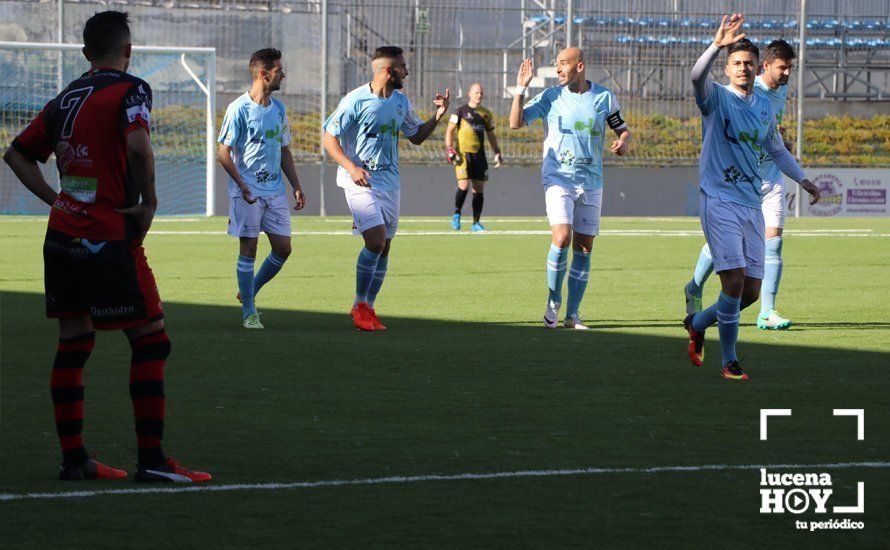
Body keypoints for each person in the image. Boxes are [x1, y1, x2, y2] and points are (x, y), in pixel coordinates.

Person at [2, 11, 210, 482]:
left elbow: (16, 154)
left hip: (61, 235)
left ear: (85, 53)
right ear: (129, 50)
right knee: (152, 340)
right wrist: (151, 202)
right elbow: (138, 146)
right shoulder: (131, 88)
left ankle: (75, 460)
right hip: (106, 234)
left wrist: (58, 201)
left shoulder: (65, 96)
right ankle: (153, 463)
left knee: (74, 343)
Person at [683, 15, 820, 380]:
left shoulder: (763, 106)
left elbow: (776, 150)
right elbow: (696, 77)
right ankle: (729, 361)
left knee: (750, 294)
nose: (742, 68)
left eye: (747, 63)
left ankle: (696, 322)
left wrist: (803, 180)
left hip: (750, 203)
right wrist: (716, 45)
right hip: (719, 199)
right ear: (727, 69)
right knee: (734, 281)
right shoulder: (716, 99)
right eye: (736, 63)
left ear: (756, 67)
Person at [322, 46, 450, 331]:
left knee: (385, 248)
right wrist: (352, 168)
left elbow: (416, 136)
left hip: (390, 183)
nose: (407, 71)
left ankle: (368, 306)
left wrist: (438, 115)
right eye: (403, 67)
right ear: (389, 71)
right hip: (358, 182)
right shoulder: (355, 100)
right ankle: (359, 304)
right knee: (376, 241)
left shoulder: (401, 101)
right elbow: (329, 139)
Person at [509, 47, 632, 330]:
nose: (558, 69)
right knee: (562, 237)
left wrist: (623, 141)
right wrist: (520, 89)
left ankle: (573, 315)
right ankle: (553, 303)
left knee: (585, 248)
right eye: (557, 64)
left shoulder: (603, 97)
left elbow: (621, 128)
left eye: (564, 63)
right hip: (558, 179)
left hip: (591, 182)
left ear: (580, 66)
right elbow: (515, 123)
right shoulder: (551, 96)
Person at [684, 39, 798, 331]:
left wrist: (802, 176)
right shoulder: (735, 92)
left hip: (766, 178)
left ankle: (766, 311)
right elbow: (700, 81)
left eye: (790, 69)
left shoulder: (778, 93)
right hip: (727, 184)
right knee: (729, 264)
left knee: (773, 245)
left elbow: (773, 141)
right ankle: (696, 289)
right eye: (782, 68)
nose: (786, 74)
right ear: (766, 67)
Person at [218, 48, 306, 329]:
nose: (284, 75)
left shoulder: (279, 109)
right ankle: (249, 313)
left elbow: (284, 150)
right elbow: (224, 151)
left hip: (275, 191)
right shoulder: (238, 109)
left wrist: (296, 185)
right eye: (279, 70)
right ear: (263, 73)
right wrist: (241, 184)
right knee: (249, 249)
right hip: (248, 192)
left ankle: (248, 291)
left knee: (283, 248)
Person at [445, 83, 502, 232]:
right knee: (464, 186)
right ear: (469, 94)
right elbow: (450, 130)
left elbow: (490, 134)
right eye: (476, 92)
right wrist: (449, 149)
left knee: (479, 189)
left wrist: (497, 151)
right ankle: (457, 214)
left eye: (481, 93)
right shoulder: (460, 111)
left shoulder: (486, 114)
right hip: (463, 155)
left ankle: (476, 222)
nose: (479, 95)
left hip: (480, 156)